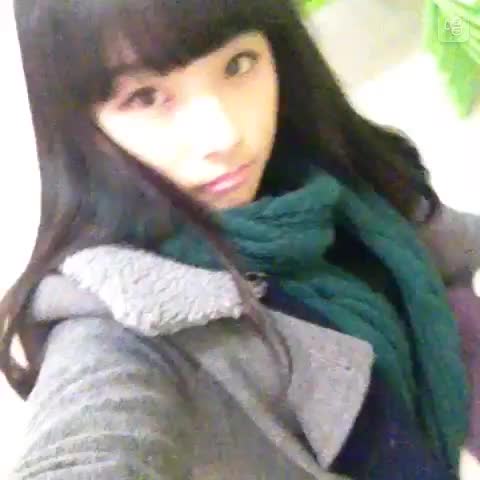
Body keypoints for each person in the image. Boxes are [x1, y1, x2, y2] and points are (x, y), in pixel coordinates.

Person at [2, 0, 479, 478]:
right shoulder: (118, 328)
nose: (224, 135)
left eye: (238, 63)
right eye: (145, 97)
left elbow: (446, 266)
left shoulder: (333, 178)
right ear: (80, 126)